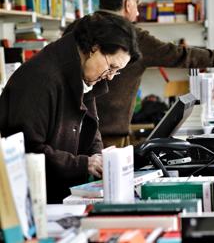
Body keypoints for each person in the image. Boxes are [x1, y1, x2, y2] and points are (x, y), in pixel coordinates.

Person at [68, 0, 214, 147]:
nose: (138, 10)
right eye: (136, 3)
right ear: (127, 4)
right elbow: (179, 55)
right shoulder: (132, 36)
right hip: (109, 136)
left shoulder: (76, 27)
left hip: (70, 131)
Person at [0, 12, 140, 203]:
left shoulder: (85, 75)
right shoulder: (41, 79)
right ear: (94, 48)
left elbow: (91, 128)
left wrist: (99, 157)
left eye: (117, 72)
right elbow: (27, 150)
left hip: (65, 195)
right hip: (36, 200)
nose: (109, 76)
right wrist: (84, 164)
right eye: (111, 67)